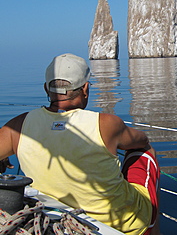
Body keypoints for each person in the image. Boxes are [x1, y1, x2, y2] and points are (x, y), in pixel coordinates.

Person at [0, 53, 160, 235]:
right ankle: (152, 230)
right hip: (121, 225)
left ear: (46, 89)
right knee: (145, 152)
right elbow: (142, 140)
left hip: (56, 220)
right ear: (85, 88)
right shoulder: (107, 124)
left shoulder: (18, 126)